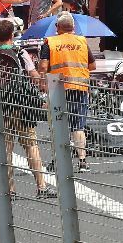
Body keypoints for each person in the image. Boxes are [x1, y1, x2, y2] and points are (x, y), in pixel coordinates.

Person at [0, 19, 54, 199]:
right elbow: (33, 74)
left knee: (6, 147)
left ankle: (10, 190)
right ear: (12, 34)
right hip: (21, 103)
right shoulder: (20, 52)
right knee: (31, 145)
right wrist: (41, 89)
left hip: (2, 105)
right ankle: (41, 187)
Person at [39, 13, 96, 173]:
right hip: (79, 87)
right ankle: (82, 161)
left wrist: (43, 80)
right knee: (78, 126)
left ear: (57, 27)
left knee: (58, 124)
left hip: (58, 89)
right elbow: (92, 66)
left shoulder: (50, 42)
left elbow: (43, 67)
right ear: (73, 27)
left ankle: (57, 160)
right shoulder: (82, 41)